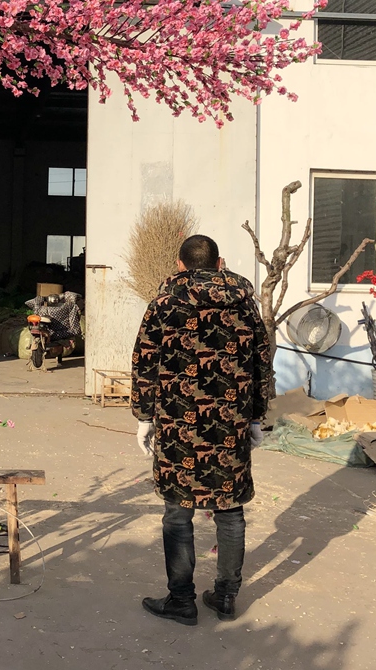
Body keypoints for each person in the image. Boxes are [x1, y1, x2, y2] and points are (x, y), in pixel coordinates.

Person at [130, 234, 271, 626]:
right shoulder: (244, 302)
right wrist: (257, 416)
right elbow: (261, 360)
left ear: (180, 265)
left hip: (177, 423)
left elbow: (145, 361)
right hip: (231, 422)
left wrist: (144, 417)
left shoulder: (164, 303)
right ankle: (225, 597)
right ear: (219, 263)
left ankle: (181, 600)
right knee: (229, 510)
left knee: (178, 512)